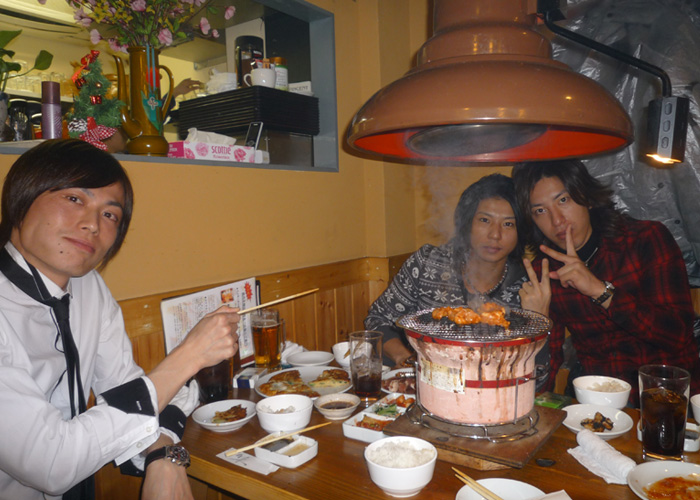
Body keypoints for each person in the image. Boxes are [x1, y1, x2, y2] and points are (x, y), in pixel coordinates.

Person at [0, 139, 240, 500]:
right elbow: (51, 464)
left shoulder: (88, 288)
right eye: (74, 199)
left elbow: (129, 392)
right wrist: (189, 356)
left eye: (110, 214)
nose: (92, 225)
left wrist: (165, 457)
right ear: (21, 198)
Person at [512, 159, 700, 406]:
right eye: (540, 211)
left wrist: (601, 291)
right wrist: (536, 327)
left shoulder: (645, 240)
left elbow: (677, 335)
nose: (556, 220)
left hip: (666, 399)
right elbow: (547, 368)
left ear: (587, 198)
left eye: (563, 200)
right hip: (597, 400)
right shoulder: (545, 272)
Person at [364, 174, 550, 388]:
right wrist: (407, 360)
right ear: (466, 222)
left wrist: (539, 321)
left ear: (521, 232)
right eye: (484, 220)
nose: (495, 235)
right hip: (425, 390)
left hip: (492, 397)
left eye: (508, 224)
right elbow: (377, 319)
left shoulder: (527, 288)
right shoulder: (427, 263)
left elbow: (538, 381)